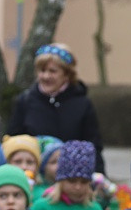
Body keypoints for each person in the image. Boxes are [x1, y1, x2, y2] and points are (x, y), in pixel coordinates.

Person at [8, 43, 106, 174]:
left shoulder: (82, 104)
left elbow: (93, 146)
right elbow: (13, 142)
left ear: (67, 74)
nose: (46, 76)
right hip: (33, 175)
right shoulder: (25, 101)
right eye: (42, 71)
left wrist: (99, 175)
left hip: (71, 176)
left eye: (52, 71)